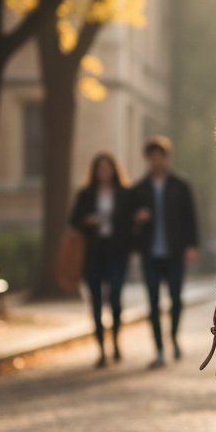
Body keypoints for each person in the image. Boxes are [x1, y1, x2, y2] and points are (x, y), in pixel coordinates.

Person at [131, 136, 199, 369]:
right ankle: (159, 348)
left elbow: (191, 218)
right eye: (152, 158)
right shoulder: (139, 189)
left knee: (176, 299)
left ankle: (174, 338)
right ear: (148, 160)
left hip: (175, 252)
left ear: (166, 158)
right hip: (150, 253)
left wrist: (192, 245)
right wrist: (138, 221)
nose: (156, 161)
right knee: (152, 302)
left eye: (160, 157)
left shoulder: (180, 185)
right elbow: (130, 224)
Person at [68, 151, 134, 367]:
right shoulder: (86, 194)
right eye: (100, 168)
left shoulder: (124, 193)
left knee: (115, 298)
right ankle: (100, 350)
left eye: (107, 168)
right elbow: (73, 221)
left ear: (114, 170)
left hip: (116, 252)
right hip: (93, 252)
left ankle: (115, 340)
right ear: (95, 171)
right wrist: (86, 221)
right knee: (95, 302)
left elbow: (131, 222)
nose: (104, 172)